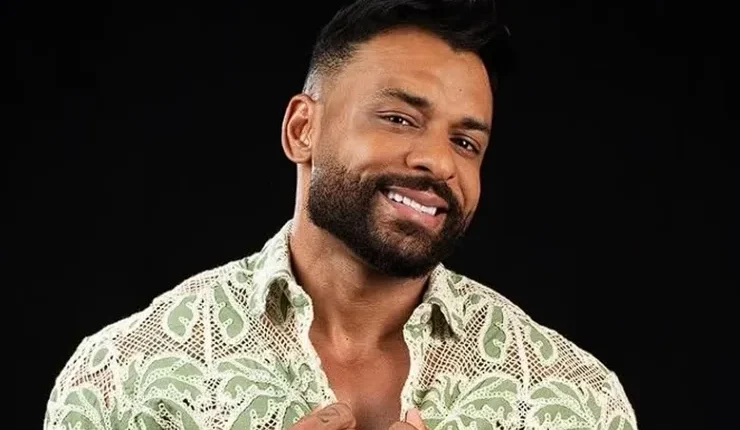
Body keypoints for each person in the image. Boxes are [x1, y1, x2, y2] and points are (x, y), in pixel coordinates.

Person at [43, 0, 639, 429]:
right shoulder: (121, 380)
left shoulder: (576, 402)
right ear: (303, 129)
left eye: (466, 143)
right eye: (399, 119)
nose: (439, 162)